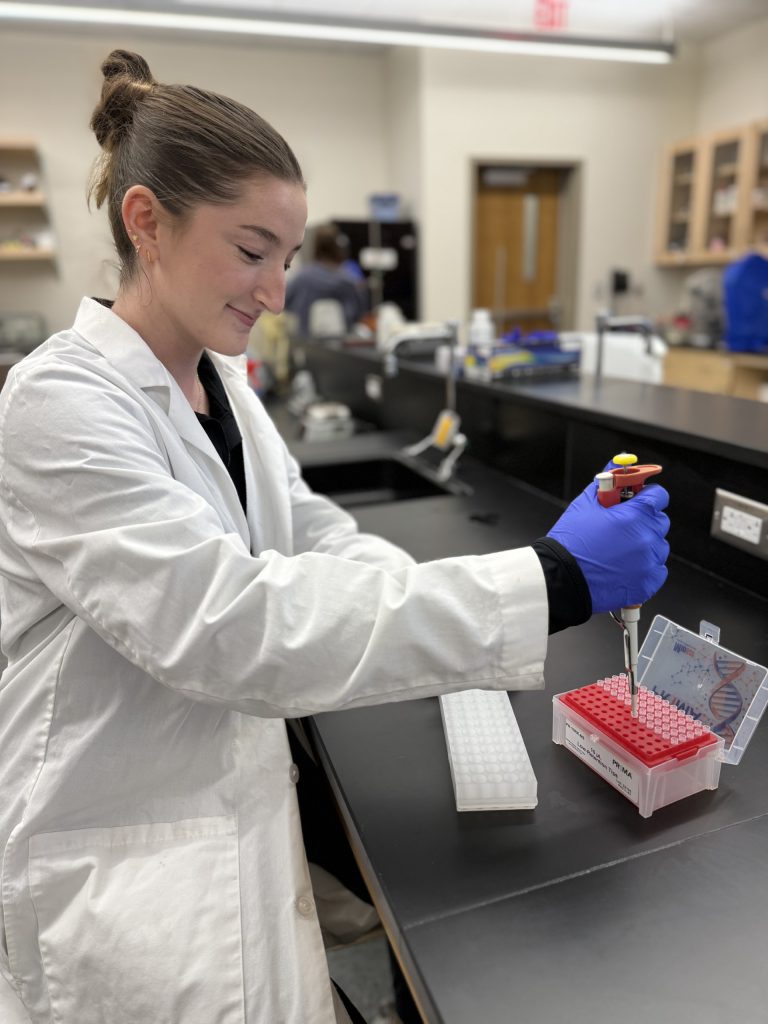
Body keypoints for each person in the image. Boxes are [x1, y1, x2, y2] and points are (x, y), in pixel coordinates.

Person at [0, 50, 670, 1024]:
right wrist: (550, 581)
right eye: (250, 249)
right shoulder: (57, 404)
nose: (276, 290)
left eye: (286, 253)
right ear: (146, 221)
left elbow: (308, 527)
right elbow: (230, 625)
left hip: (226, 807)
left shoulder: (216, 378)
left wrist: (458, 612)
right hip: (124, 859)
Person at [284, 221, 369, 338]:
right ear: (338, 245)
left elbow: (284, 303)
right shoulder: (350, 279)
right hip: (340, 348)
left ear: (315, 245)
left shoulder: (303, 277)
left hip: (307, 345)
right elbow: (360, 312)